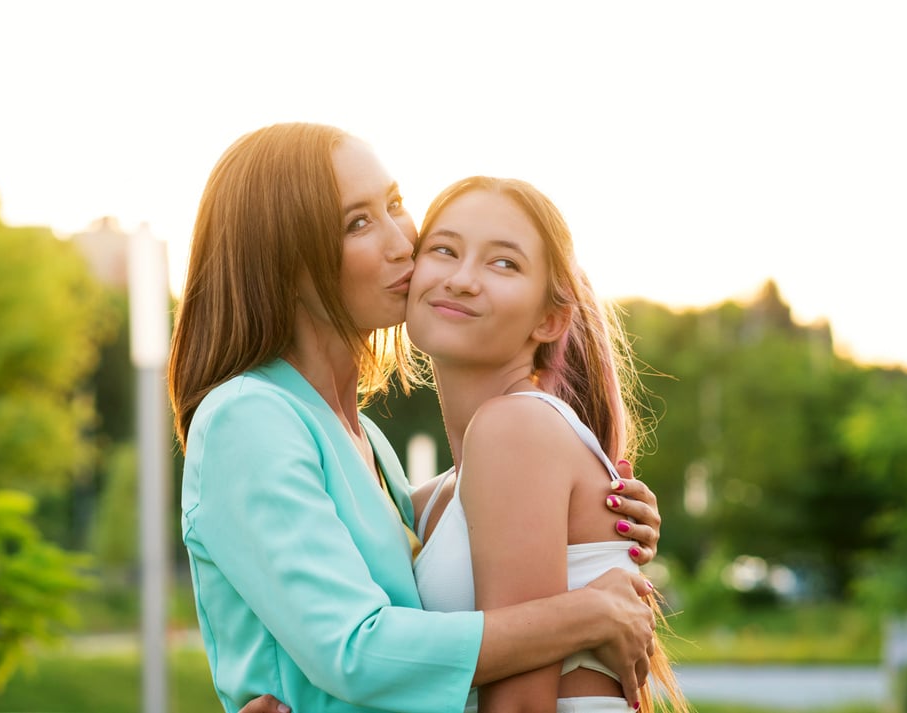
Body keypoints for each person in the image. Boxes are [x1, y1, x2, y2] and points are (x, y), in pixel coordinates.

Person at [169, 123, 664, 713]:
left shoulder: (367, 439)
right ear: (283, 262)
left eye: (396, 205)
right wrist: (586, 611)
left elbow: (467, 518)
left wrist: (593, 513)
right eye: (358, 223)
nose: (403, 241)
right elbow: (355, 650)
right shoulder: (248, 417)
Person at [405, 176, 690, 713]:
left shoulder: (516, 429)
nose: (463, 279)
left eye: (504, 263)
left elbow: (519, 705)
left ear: (550, 319)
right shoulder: (431, 500)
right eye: (444, 250)